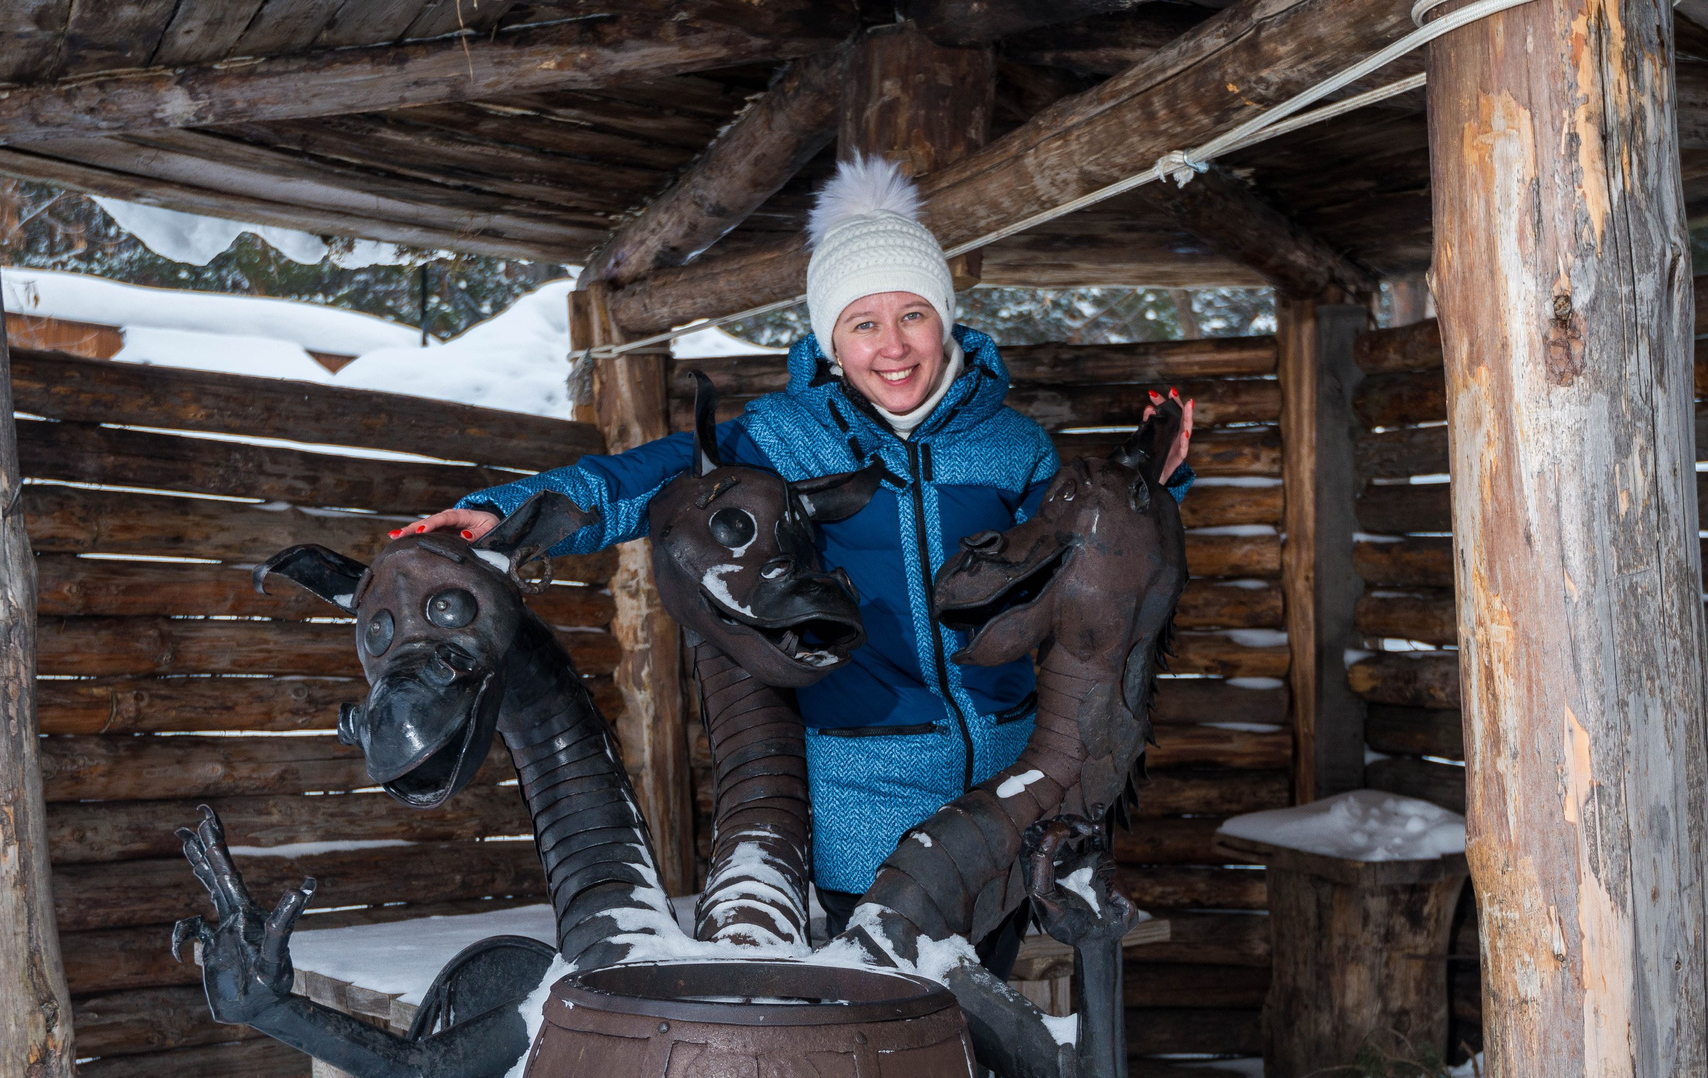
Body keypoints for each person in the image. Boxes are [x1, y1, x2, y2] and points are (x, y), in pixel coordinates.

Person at [411, 156, 1195, 950]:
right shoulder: (783, 439)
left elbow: (1069, 553)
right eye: (863, 323)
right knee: (893, 1001)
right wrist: (504, 514)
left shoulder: (1013, 445)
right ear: (830, 340)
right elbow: (638, 483)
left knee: (980, 993)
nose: (894, 346)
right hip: (864, 786)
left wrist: (1154, 486)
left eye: (913, 314)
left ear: (946, 319)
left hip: (1003, 783)